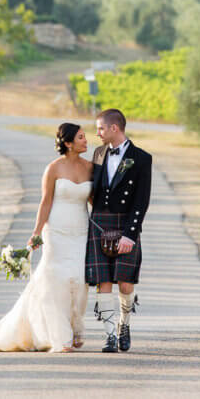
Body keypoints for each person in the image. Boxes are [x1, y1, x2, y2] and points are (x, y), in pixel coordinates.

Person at [0, 123, 92, 352]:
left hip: (81, 231)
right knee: (56, 282)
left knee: (80, 281)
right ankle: (60, 338)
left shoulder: (91, 168)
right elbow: (46, 202)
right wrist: (37, 232)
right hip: (57, 231)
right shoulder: (53, 169)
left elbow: (94, 202)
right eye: (81, 137)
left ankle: (75, 328)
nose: (86, 141)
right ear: (68, 143)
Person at [86, 108, 152, 352]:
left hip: (125, 225)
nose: (97, 132)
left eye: (101, 128)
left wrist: (130, 235)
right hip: (100, 223)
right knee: (102, 281)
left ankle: (124, 325)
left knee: (125, 283)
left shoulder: (142, 158)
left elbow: (141, 201)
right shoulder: (99, 153)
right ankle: (110, 335)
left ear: (115, 128)